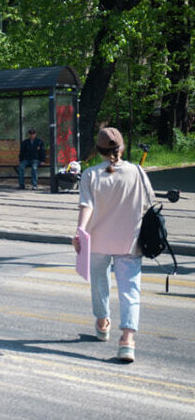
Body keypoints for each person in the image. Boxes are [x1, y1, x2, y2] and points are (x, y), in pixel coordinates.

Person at [72, 127, 154, 362]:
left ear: (98, 150)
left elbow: (86, 206)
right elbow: (149, 203)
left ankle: (102, 322)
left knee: (99, 283)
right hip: (130, 241)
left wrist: (79, 232)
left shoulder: (90, 174)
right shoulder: (137, 172)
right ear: (122, 148)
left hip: (97, 240)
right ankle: (127, 340)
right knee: (130, 290)